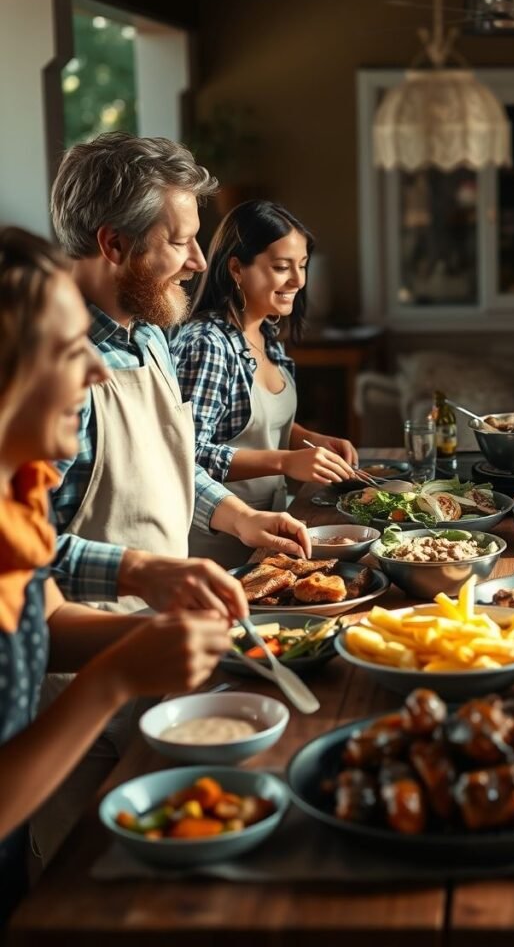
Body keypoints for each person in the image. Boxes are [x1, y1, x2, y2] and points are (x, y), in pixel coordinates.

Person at [0, 228, 230, 923]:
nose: (98, 373)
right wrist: (118, 677)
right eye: (72, 354)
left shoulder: (15, 502)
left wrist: (150, 635)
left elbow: (38, 621)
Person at [48, 133, 312, 612]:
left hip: (167, 638)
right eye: (178, 241)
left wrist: (238, 516)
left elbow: (167, 462)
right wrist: (143, 575)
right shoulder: (50, 369)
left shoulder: (151, 337)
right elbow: (21, 554)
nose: (198, 261)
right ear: (113, 243)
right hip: (87, 661)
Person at [172, 200, 358, 567]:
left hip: (268, 535)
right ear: (237, 269)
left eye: (302, 266)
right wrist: (287, 462)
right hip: (216, 548)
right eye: (281, 267)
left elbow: (252, 425)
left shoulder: (266, 332)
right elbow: (185, 454)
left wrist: (307, 439)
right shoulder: (206, 344)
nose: (298, 281)